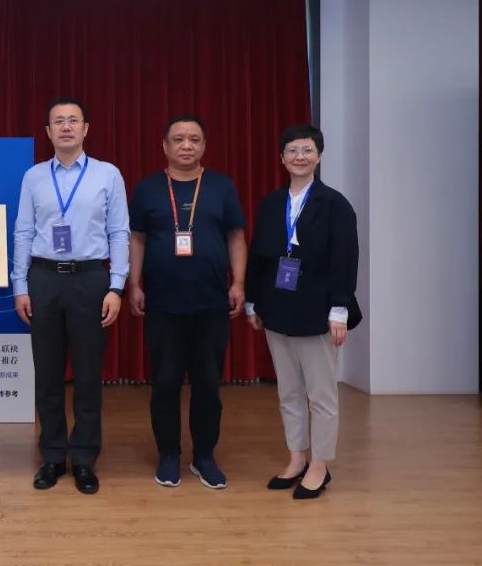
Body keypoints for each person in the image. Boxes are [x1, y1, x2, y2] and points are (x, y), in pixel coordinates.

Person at [12, 97, 130, 495]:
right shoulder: (34, 177)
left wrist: (116, 286)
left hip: (90, 279)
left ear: (85, 129)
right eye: (58, 121)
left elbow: (119, 231)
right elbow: (23, 232)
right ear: (48, 132)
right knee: (47, 374)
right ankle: (52, 456)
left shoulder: (107, 174)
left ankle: (83, 458)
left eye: (73, 120)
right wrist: (20, 286)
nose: (66, 127)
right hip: (44, 278)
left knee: (88, 374)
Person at [128, 114, 246, 490]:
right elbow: (137, 239)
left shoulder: (221, 186)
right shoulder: (148, 188)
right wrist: (134, 284)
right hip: (162, 304)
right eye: (178, 139)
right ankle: (168, 454)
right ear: (165, 146)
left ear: (204, 145)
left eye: (194, 139)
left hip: (211, 303)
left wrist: (238, 282)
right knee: (165, 383)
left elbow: (236, 237)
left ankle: (204, 456)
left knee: (208, 383)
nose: (186, 145)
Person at [245, 123, 360, 500]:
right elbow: (259, 257)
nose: (300, 157)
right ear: (282, 158)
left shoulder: (335, 204)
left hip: (317, 309)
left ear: (319, 156)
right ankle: (297, 458)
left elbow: (345, 261)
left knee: (321, 395)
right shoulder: (271, 203)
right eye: (292, 150)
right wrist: (253, 301)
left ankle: (320, 465)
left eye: (307, 150)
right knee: (288, 391)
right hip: (277, 308)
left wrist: (339, 309)